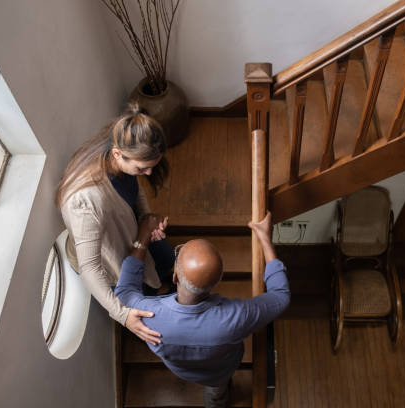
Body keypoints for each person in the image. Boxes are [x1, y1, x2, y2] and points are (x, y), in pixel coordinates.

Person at [115, 212, 290, 407]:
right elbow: (281, 296)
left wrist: (142, 237)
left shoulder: (149, 315)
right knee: (217, 393)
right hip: (221, 371)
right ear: (218, 282)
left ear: (174, 278)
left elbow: (124, 292)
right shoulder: (236, 317)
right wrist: (265, 238)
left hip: (181, 369)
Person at [56, 103, 174, 345]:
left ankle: (163, 287)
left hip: (133, 233)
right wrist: (122, 315)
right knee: (147, 301)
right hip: (110, 261)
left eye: (152, 166)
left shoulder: (114, 152)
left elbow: (135, 189)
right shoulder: (85, 201)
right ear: (119, 154)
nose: (149, 173)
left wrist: (148, 219)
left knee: (169, 261)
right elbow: (90, 267)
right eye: (143, 168)